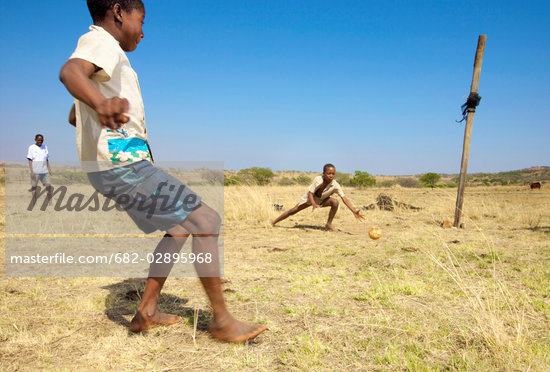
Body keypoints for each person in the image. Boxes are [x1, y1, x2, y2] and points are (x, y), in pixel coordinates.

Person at [59, 0, 266, 343]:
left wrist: (97, 104)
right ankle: (223, 321)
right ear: (119, 11)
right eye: (141, 19)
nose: (143, 31)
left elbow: (73, 114)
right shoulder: (102, 42)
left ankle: (146, 312)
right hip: (123, 162)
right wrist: (101, 104)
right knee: (206, 221)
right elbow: (69, 72)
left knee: (179, 229)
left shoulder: (107, 62)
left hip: (114, 165)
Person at [272, 164, 365, 231]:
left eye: (333, 173)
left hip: (322, 200)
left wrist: (354, 211)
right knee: (293, 211)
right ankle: (273, 222)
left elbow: (344, 198)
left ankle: (328, 225)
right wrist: (313, 204)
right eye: (329, 173)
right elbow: (310, 193)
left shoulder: (335, 185)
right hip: (310, 199)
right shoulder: (318, 179)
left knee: (335, 202)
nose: (331, 175)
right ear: (324, 173)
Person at [27, 134, 53, 204]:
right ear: (35, 140)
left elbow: (46, 159)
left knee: (48, 186)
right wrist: (32, 171)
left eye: (41, 140)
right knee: (34, 187)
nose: (40, 141)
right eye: (38, 140)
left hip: (44, 171)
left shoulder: (45, 147)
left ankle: (50, 202)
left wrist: (49, 169)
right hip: (35, 171)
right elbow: (30, 160)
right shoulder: (31, 147)